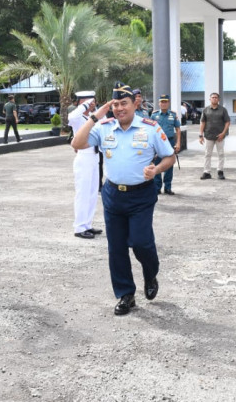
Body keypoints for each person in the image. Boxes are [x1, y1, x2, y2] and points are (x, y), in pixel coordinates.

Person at [71, 82, 175, 316]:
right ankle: (125, 294)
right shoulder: (104, 127)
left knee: (140, 242)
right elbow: (76, 144)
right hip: (113, 195)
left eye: (123, 103)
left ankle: (150, 273)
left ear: (134, 104)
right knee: (116, 248)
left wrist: (156, 171)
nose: (119, 108)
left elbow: (169, 156)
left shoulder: (150, 127)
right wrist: (95, 117)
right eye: (115, 104)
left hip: (141, 195)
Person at [67, 91, 104, 239]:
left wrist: (95, 109)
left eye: (93, 100)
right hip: (84, 157)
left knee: (92, 192)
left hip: (95, 156)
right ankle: (79, 227)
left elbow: (104, 124)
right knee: (83, 193)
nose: (92, 103)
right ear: (81, 102)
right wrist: (85, 105)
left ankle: (87, 224)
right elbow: (71, 117)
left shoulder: (92, 117)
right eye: (89, 101)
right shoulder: (78, 118)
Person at [150, 94, 181, 195]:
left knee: (169, 165)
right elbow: (150, 129)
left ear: (168, 103)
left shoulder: (173, 115)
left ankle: (168, 187)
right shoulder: (154, 115)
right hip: (157, 143)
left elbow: (178, 129)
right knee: (157, 164)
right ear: (159, 103)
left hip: (170, 141)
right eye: (162, 102)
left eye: (165, 102)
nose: (163, 104)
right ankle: (157, 187)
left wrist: (178, 142)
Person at [199, 92, 230, 180]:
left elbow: (227, 122)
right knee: (207, 154)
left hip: (220, 136)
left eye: (216, 97)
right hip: (208, 135)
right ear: (210, 99)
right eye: (212, 97)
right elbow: (203, 122)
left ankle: (220, 171)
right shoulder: (205, 110)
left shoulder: (223, 110)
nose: (214, 99)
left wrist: (223, 133)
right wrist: (200, 135)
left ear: (218, 99)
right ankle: (206, 172)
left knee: (221, 154)